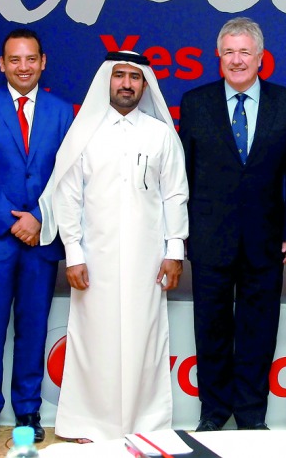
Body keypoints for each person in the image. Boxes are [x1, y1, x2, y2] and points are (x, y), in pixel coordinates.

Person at [40, 50, 189, 442]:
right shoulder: (84, 133)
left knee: (146, 338)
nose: (126, 83)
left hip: (148, 260)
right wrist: (73, 253)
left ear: (144, 84)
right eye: (119, 75)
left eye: (134, 77)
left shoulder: (160, 134)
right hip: (94, 258)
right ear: (108, 80)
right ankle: (91, 424)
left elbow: (175, 195)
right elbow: (68, 197)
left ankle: (145, 424)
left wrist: (175, 252)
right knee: (94, 339)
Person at [178, 17, 286, 432]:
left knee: (258, 331)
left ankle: (251, 417)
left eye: (244, 52)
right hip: (209, 239)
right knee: (211, 330)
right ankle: (213, 414)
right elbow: (184, 177)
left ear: (260, 57)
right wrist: (184, 234)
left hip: (266, 240)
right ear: (218, 56)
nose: (236, 60)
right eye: (229, 51)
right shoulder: (195, 103)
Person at [0, 28, 73, 445]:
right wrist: (13, 221)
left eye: (31, 59)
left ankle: (28, 411)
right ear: (2, 64)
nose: (23, 67)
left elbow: (67, 176)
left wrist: (39, 218)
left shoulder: (62, 113)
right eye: (15, 60)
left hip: (41, 241)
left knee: (33, 327)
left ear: (43, 62)